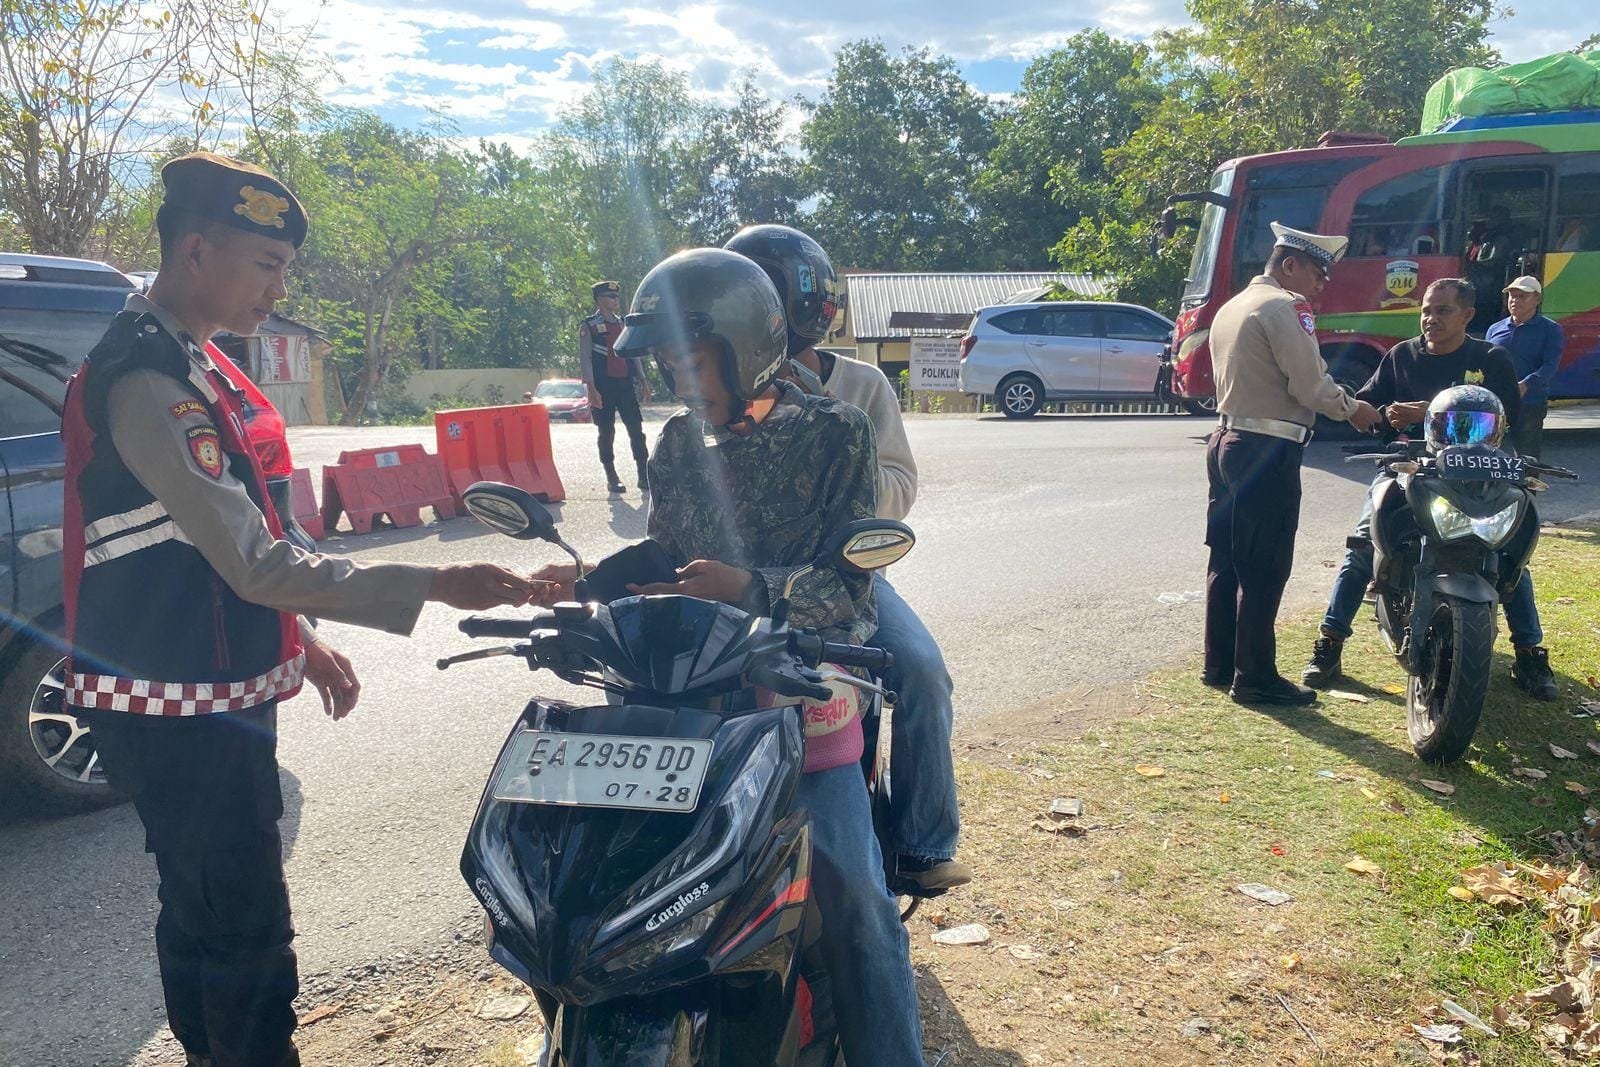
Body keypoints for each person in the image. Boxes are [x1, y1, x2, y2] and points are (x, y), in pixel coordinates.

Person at [61, 152, 545, 1067]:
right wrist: (436, 581)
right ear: (196, 251)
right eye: (267, 266)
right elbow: (252, 561)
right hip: (181, 704)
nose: (278, 291)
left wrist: (300, 637)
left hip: (193, 687)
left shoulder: (187, 356)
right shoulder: (150, 378)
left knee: (200, 909)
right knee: (241, 929)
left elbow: (213, 541)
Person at [530, 248, 924, 1065]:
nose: (680, 378)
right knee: (580, 878)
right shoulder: (678, 443)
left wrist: (752, 589)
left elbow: (850, 589)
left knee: (856, 897)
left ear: (746, 347)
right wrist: (590, 581)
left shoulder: (837, 434)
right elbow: (665, 550)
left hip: (803, 699)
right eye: (670, 362)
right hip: (688, 707)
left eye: (694, 359)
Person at [725, 222, 967, 893]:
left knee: (921, 671)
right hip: (738, 581)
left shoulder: (860, 388)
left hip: (844, 581)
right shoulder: (720, 389)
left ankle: (922, 843)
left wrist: (829, 451)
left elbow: (898, 487)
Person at [1303, 277, 1559, 701]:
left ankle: (1530, 653)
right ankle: (1329, 643)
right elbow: (1368, 409)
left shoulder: (1491, 358)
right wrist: (1385, 413)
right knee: (1364, 545)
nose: (1431, 319)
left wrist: (1433, 411)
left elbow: (1508, 416)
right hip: (1407, 468)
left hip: (1478, 475)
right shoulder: (1401, 356)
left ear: (1467, 315)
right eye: (1426, 310)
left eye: (1443, 311)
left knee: (1511, 552)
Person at [1203, 222, 1383, 707]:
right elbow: (1309, 384)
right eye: (1318, 273)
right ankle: (1255, 677)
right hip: (1267, 447)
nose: (1322, 284)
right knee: (1265, 565)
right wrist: (1353, 409)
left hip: (1226, 439)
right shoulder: (1285, 306)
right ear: (1290, 265)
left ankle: (1220, 664)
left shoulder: (1233, 305)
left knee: (1227, 559)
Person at [578, 280, 652, 493]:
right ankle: (611, 476)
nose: (615, 300)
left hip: (625, 385)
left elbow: (633, 354)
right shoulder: (589, 326)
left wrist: (643, 381)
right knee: (606, 431)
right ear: (599, 299)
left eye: (617, 296)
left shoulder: (623, 323)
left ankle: (643, 474)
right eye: (611, 297)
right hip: (603, 386)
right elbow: (585, 358)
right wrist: (591, 388)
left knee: (636, 430)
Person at [1487, 275, 1564, 459]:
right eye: (1512, 295)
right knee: (1486, 454)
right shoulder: (1495, 329)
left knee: (1527, 457)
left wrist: (1526, 384)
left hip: (1530, 403)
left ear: (1537, 299)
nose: (1515, 300)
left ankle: (1528, 480)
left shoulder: (1551, 329)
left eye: (1522, 296)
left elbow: (1550, 365)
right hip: (1496, 403)